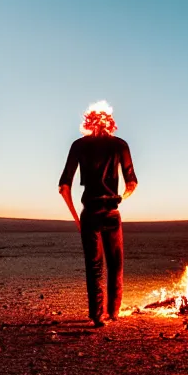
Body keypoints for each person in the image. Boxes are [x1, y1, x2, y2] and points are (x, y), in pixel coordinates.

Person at [59, 101, 137, 327]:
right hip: (112, 212)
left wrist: (77, 219)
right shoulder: (120, 145)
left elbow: (64, 187)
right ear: (109, 123)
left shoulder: (78, 145)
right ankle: (114, 311)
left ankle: (97, 315)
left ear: (88, 122)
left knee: (93, 266)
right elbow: (132, 183)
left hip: (89, 212)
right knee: (116, 265)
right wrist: (120, 197)